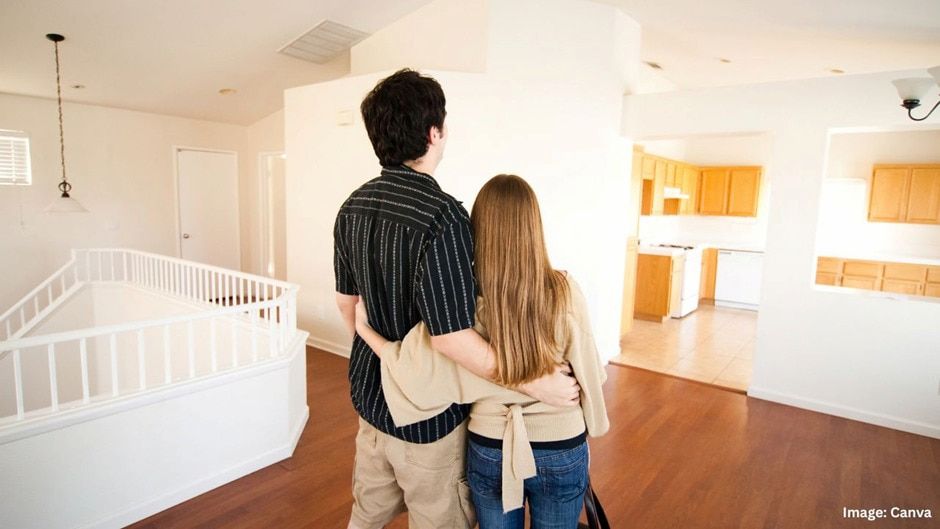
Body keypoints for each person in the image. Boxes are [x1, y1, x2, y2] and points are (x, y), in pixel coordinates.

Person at [333, 69, 581, 529]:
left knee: (364, 517)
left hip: (369, 405)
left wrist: (382, 351)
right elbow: (451, 339)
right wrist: (536, 383)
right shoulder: (443, 217)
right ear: (434, 133)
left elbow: (349, 308)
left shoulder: (352, 206)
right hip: (426, 423)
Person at [354, 174, 610, 529]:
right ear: (534, 227)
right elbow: (591, 374)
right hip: (560, 445)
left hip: (490, 445)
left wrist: (364, 330)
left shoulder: (463, 305)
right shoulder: (564, 291)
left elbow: (411, 366)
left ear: (477, 230)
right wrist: (588, 416)